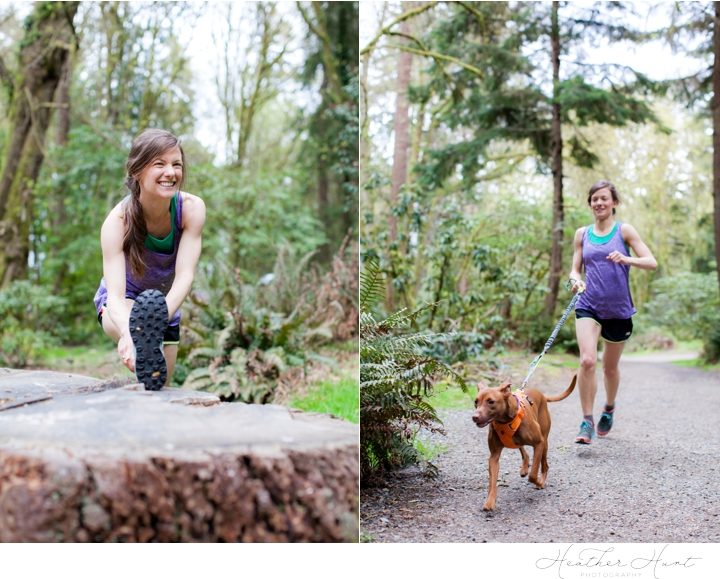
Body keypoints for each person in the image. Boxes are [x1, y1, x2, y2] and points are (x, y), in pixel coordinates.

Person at [93, 128, 206, 390]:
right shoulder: (117, 222)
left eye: (176, 165)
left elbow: (185, 275)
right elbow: (116, 297)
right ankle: (138, 337)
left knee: (159, 386)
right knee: (139, 337)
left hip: (167, 305)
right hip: (122, 306)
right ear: (137, 171)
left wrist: (158, 317)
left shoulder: (191, 209)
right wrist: (129, 331)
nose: (171, 172)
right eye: (160, 164)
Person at [568, 180, 657, 443]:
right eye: (594, 199)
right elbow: (574, 268)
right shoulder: (582, 234)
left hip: (618, 310)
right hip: (588, 305)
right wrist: (575, 280)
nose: (599, 203)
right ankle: (586, 420)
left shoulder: (624, 231)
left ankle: (608, 407)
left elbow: (651, 262)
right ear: (590, 204)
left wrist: (626, 258)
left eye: (604, 198)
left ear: (614, 203)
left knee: (609, 368)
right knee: (587, 361)